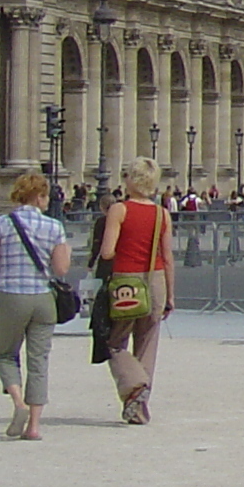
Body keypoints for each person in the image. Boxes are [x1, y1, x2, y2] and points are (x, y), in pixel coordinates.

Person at [0, 172, 68, 440]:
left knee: (5, 354)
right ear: (39, 196)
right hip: (43, 299)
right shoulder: (54, 227)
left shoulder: (2, 225)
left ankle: (18, 403)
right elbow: (61, 268)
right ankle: (34, 426)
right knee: (38, 361)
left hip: (13, 296)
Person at [96, 157, 176, 426]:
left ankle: (135, 384)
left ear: (133, 180)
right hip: (155, 280)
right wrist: (171, 294)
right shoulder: (161, 214)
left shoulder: (119, 210)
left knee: (115, 342)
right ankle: (139, 407)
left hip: (126, 280)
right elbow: (167, 256)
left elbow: (107, 251)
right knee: (147, 342)